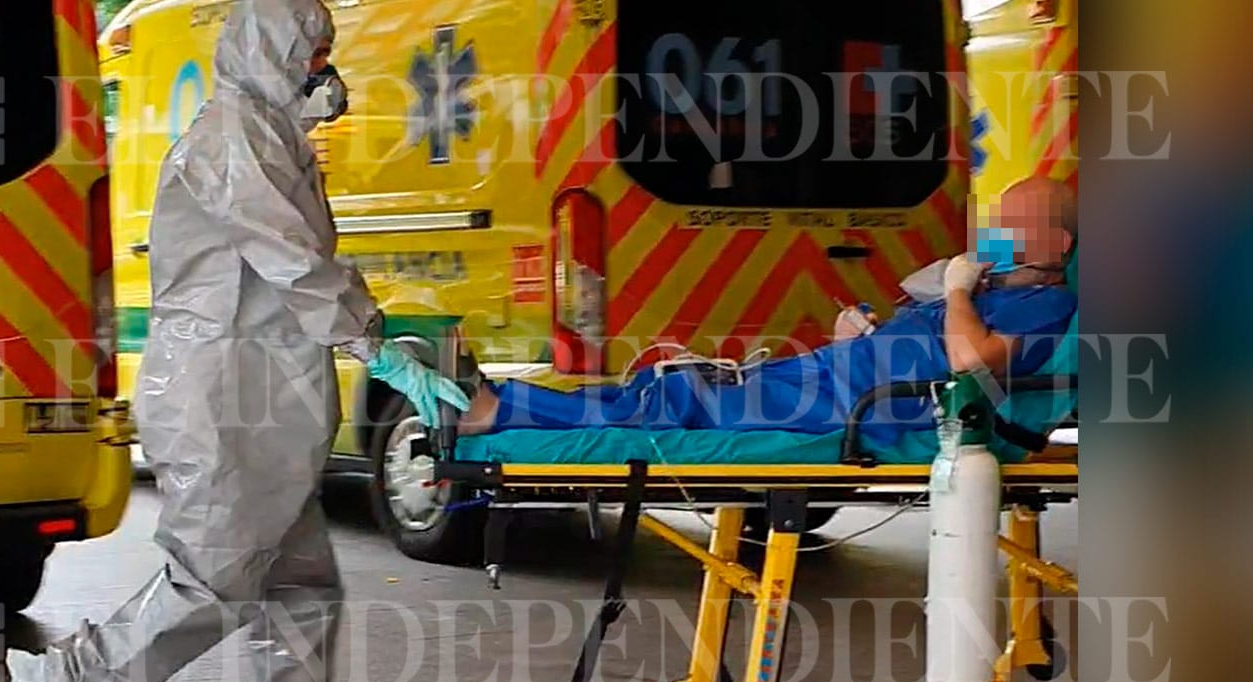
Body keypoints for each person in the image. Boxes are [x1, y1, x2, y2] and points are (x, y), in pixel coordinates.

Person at [4, 0, 469, 682]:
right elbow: (289, 258)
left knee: (301, 585)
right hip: (222, 397)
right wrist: (374, 344)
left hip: (266, 398)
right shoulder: (235, 140)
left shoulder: (273, 136)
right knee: (214, 577)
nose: (322, 67)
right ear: (270, 49)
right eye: (311, 51)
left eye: (325, 51)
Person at [458, 177, 1077, 440]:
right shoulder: (992, 290)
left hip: (868, 409)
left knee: (677, 401)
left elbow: (971, 360)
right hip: (840, 378)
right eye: (1000, 216)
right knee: (672, 381)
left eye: (1015, 221)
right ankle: (499, 406)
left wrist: (961, 289)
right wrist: (856, 331)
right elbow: (927, 337)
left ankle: (501, 409)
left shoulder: (1048, 307)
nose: (996, 228)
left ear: (1058, 245)